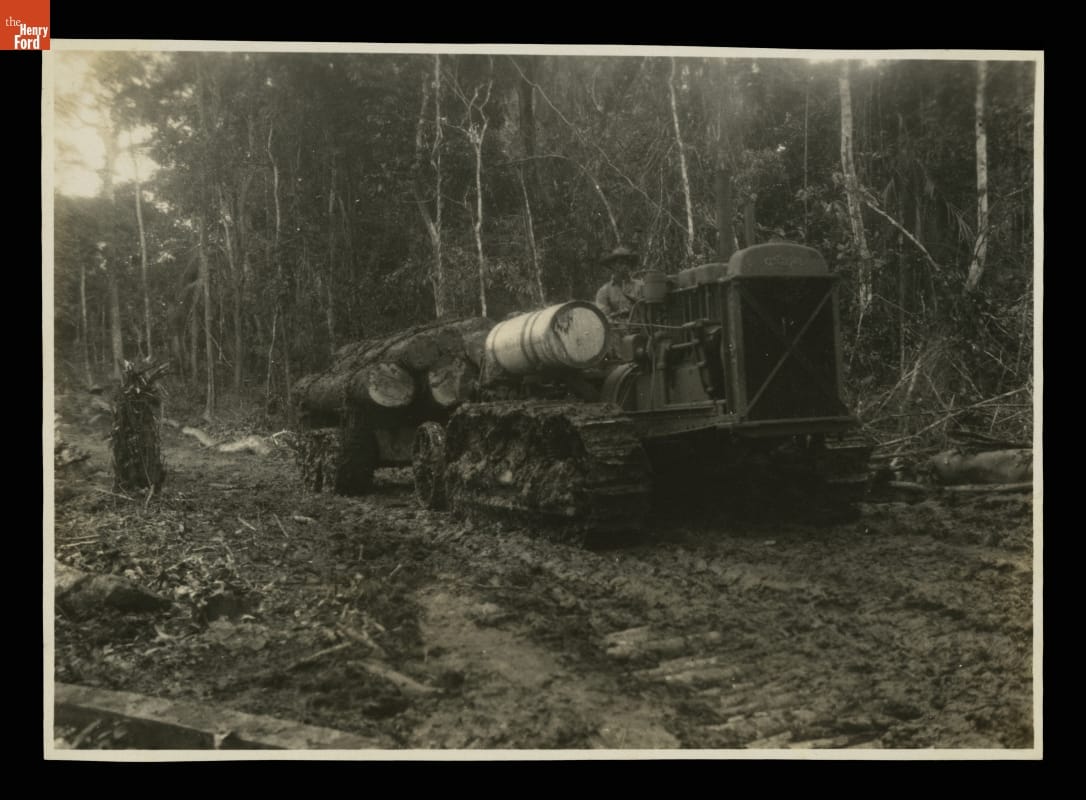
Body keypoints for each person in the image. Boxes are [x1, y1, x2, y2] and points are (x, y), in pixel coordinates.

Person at [594, 245, 642, 320]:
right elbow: (603, 317)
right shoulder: (604, 291)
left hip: (639, 326)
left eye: (627, 263)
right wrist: (618, 314)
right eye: (620, 263)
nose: (625, 266)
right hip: (615, 326)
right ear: (612, 265)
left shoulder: (640, 286)